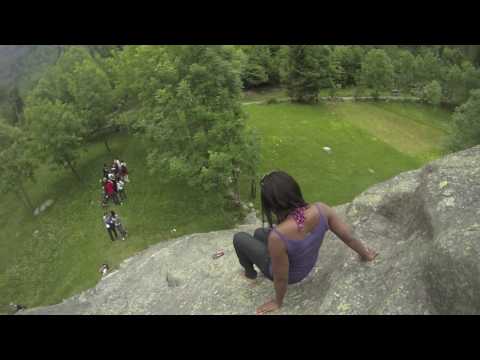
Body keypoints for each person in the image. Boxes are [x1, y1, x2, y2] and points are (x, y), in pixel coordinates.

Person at [232, 171, 378, 315]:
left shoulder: (278, 236)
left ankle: (250, 274)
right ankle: (267, 257)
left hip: (292, 276)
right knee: (258, 233)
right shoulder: (322, 209)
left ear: (271, 204)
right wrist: (365, 254)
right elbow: (349, 237)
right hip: (307, 264)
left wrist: (277, 302)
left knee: (240, 238)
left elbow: (281, 277)